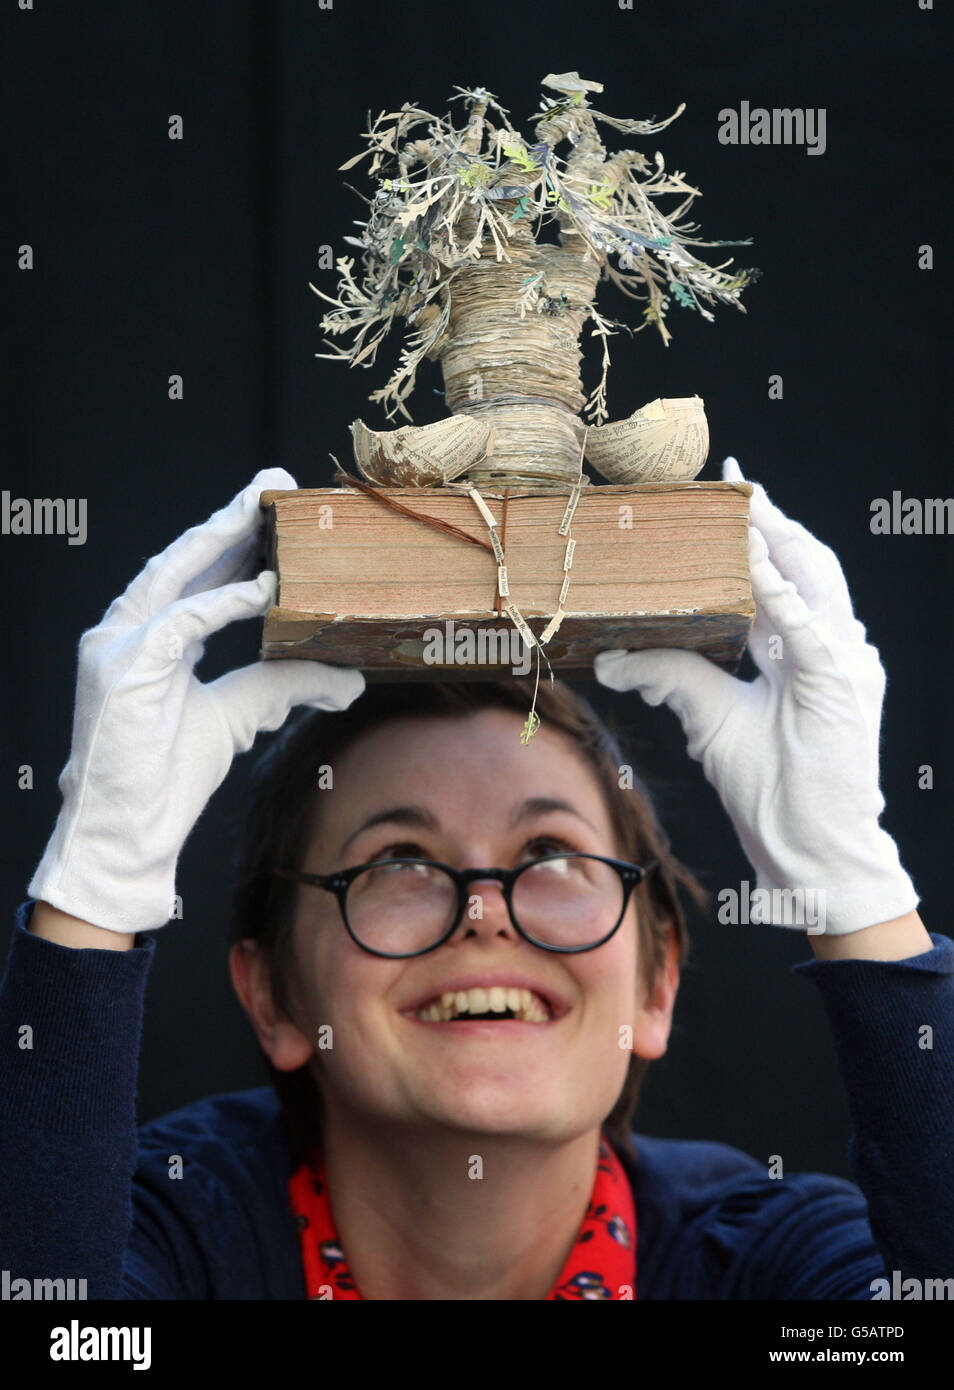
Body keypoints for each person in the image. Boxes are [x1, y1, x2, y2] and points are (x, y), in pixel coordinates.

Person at [1, 463, 950, 1301]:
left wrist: (854, 885)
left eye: (551, 857)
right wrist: (97, 877)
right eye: (398, 863)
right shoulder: (175, 1234)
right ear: (275, 997)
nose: (487, 914)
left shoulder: (768, 1263)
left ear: (657, 984)